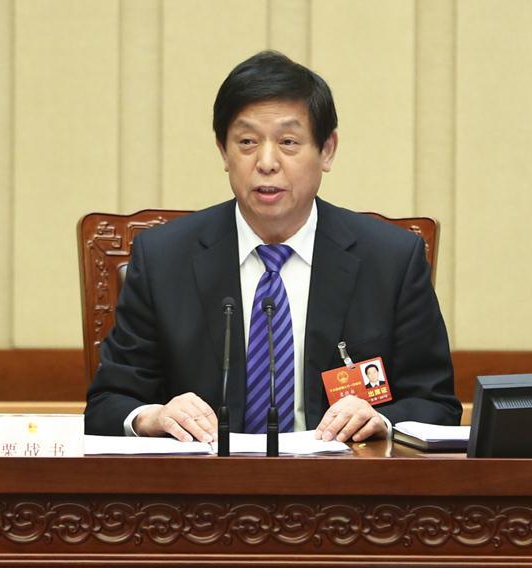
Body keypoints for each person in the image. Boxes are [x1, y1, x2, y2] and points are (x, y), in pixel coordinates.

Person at [85, 50, 461, 443]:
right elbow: (108, 403)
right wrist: (152, 416)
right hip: (206, 477)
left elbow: (436, 404)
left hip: (340, 477)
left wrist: (379, 420)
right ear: (223, 151)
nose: (266, 162)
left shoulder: (390, 260)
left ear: (327, 150)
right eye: (247, 142)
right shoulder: (164, 259)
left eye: (288, 141)